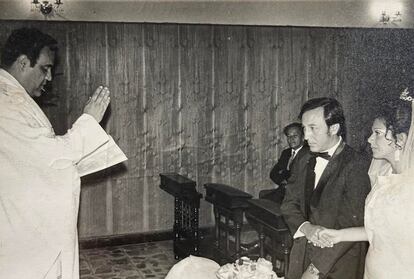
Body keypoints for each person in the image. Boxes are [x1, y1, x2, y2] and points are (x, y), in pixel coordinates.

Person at [0, 28, 126, 278]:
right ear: (23, 62)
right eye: (45, 69)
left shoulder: (14, 95)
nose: (48, 78)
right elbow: (50, 155)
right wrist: (89, 119)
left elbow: (42, 155)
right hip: (20, 222)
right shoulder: (7, 102)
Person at [318, 95, 414, 279]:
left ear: (400, 139)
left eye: (377, 133)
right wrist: (338, 235)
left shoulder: (411, 187)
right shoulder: (384, 174)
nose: (369, 140)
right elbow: (378, 230)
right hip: (373, 270)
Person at [280, 97, 371, 279]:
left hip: (337, 263)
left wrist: (315, 270)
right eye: (304, 129)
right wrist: (306, 227)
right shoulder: (303, 157)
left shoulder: (356, 164)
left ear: (334, 128)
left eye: (313, 128)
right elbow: (288, 204)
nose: (306, 136)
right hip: (302, 253)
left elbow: (352, 223)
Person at [260, 122, 308, 203]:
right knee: (259, 204)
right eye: (289, 136)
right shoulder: (286, 153)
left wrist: (284, 176)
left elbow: (299, 177)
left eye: (295, 136)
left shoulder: (308, 153)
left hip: (297, 195)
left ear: (303, 137)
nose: (291, 139)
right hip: (283, 190)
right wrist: (282, 181)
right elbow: (273, 173)